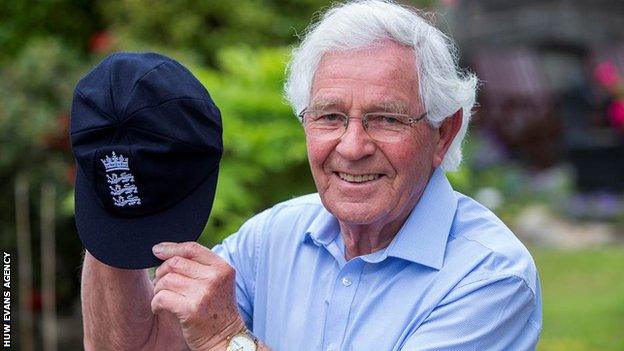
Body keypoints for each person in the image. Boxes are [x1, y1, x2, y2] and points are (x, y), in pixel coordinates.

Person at [81, 1, 542, 350]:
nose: (353, 146)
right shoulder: (273, 235)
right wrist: (116, 192)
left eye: (386, 118)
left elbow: (214, 335)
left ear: (444, 133)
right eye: (329, 117)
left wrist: (227, 339)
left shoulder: (491, 277)